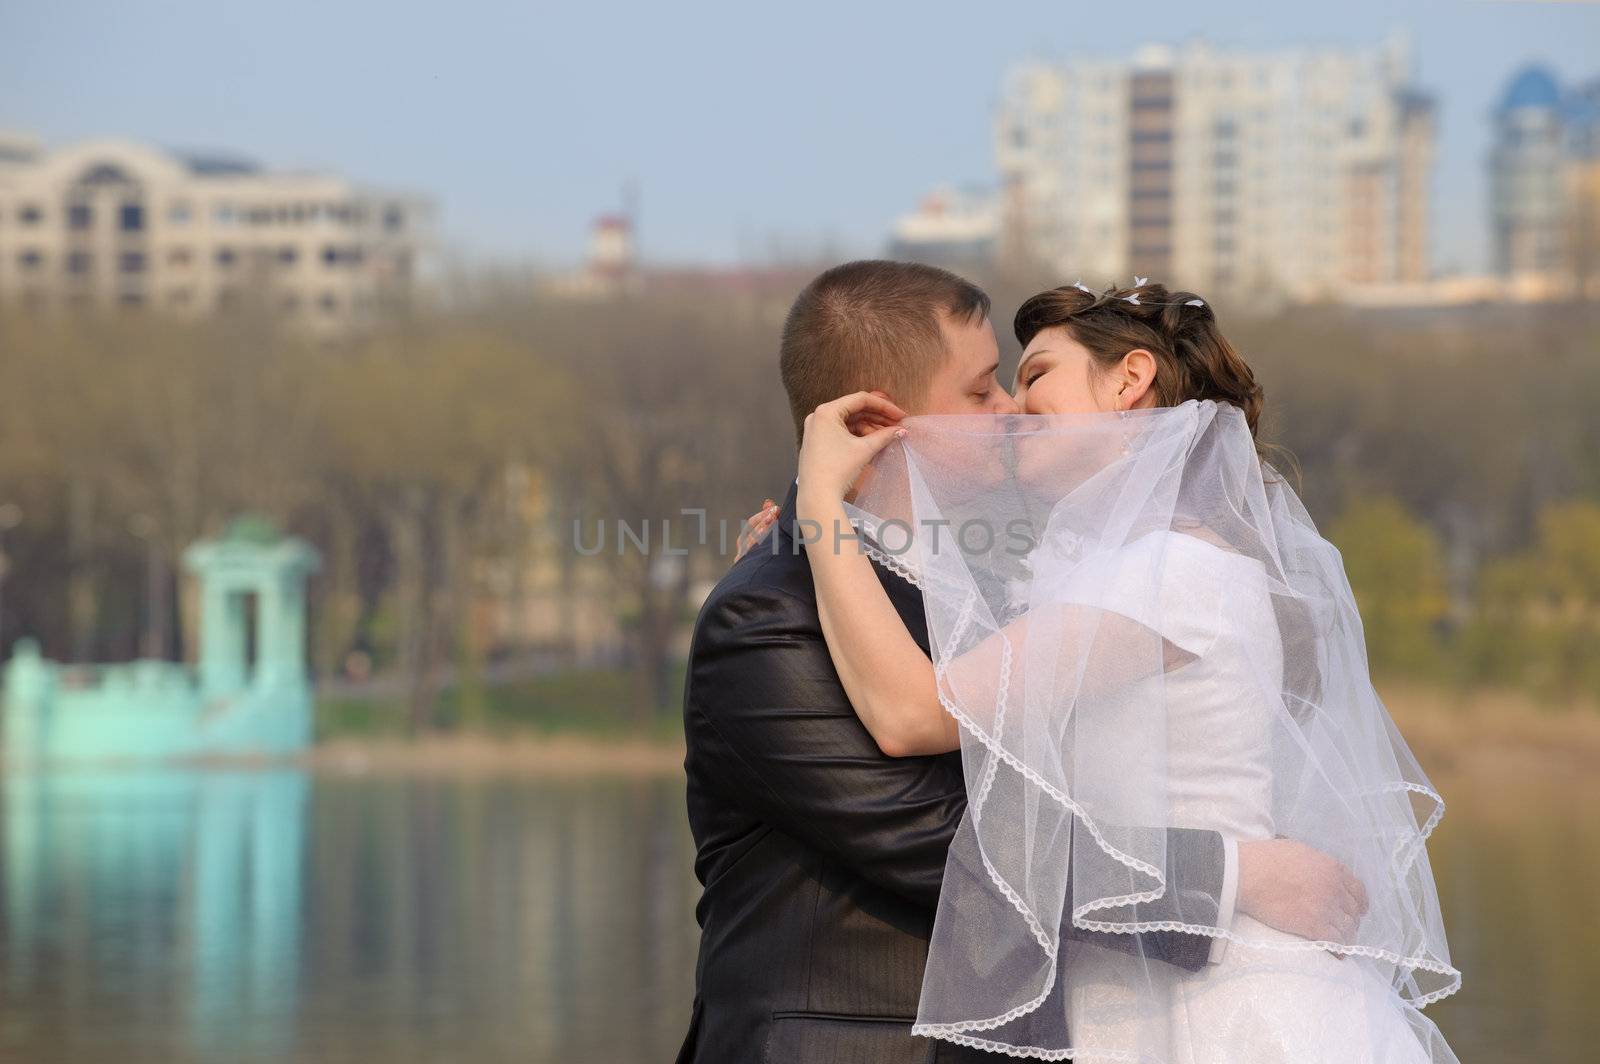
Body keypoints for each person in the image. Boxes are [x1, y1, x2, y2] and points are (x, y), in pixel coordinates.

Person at [676, 261, 1373, 1064]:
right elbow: (934, 838)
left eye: (1026, 379)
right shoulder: (771, 612)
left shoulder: (1034, 592)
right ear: (876, 416)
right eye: (982, 392)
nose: (1010, 408)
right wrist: (1233, 876)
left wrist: (818, 526)